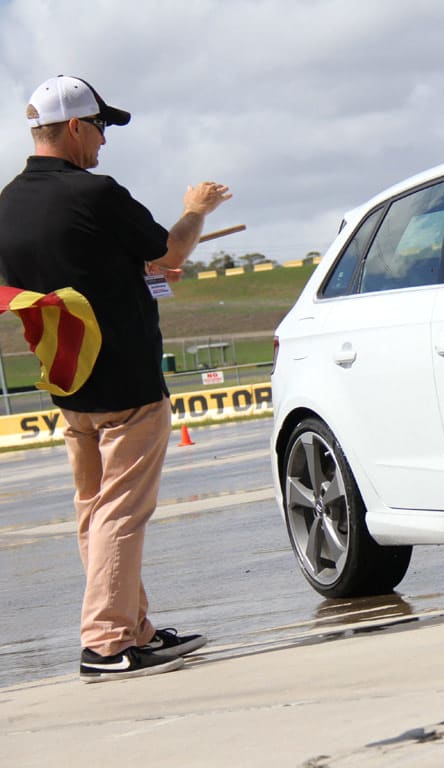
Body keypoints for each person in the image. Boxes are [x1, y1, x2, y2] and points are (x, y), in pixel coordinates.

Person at [0, 75, 232, 682]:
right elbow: (173, 250)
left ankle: (136, 629)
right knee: (119, 514)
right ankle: (105, 642)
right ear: (74, 127)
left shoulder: (7, 204)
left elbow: (70, 271)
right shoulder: (96, 193)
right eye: (100, 127)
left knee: (94, 510)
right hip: (127, 381)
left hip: (68, 379)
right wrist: (196, 210)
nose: (104, 141)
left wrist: (137, 276)